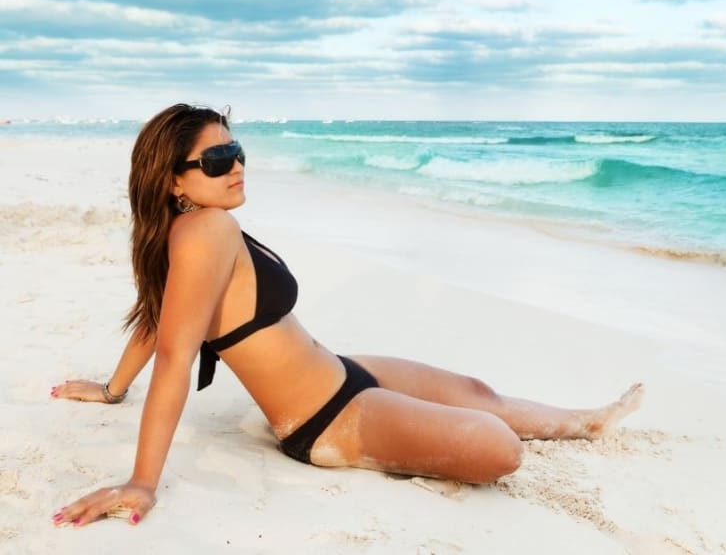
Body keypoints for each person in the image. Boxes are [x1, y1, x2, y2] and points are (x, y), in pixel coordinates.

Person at [51, 103, 644, 528]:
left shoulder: (193, 232)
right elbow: (177, 353)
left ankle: (584, 422)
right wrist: (142, 482)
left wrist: (111, 389)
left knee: (474, 391)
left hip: (340, 371)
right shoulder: (205, 230)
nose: (237, 166)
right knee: (499, 448)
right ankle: (459, 425)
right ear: (174, 179)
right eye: (217, 159)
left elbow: (156, 321)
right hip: (327, 420)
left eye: (238, 151)